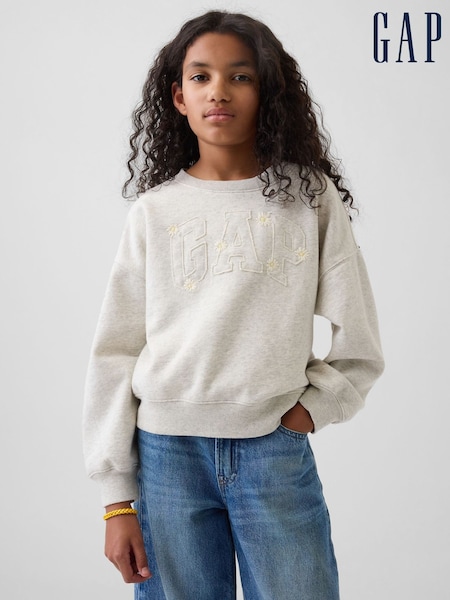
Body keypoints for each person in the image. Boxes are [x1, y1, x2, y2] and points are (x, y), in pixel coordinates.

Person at [83, 10, 384, 600]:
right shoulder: (155, 212)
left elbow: (359, 343)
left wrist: (309, 412)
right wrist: (116, 500)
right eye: (200, 77)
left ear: (267, 91)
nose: (218, 91)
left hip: (273, 450)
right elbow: (115, 352)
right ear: (179, 97)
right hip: (166, 457)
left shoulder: (309, 199)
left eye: (240, 76)